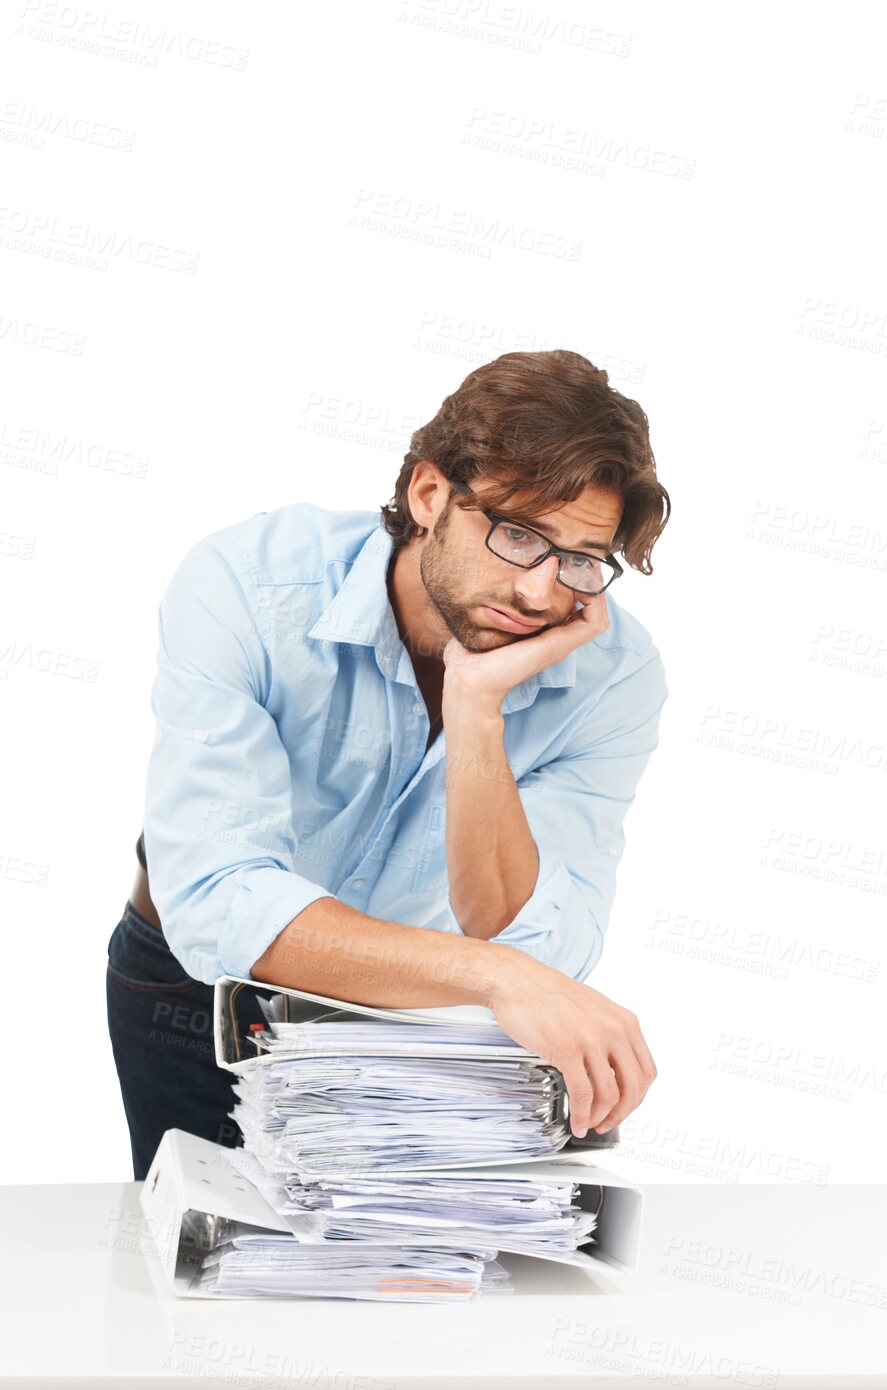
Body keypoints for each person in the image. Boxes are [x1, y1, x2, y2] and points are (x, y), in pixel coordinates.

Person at [105, 349, 671, 1180]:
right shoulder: (248, 584)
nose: (544, 594)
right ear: (429, 494)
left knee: (387, 1279)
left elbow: (534, 939)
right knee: (206, 1276)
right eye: (519, 535)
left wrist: (477, 712)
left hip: (418, 1005)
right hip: (195, 986)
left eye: (582, 558)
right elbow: (218, 897)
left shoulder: (613, 674)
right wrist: (494, 976)